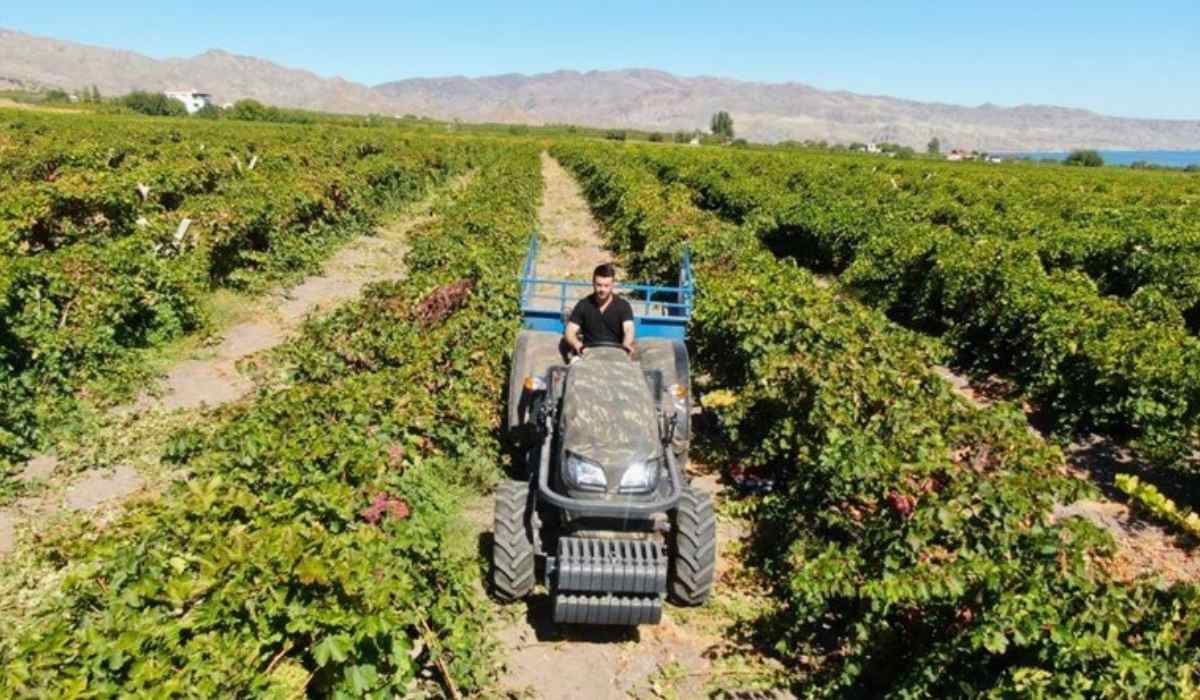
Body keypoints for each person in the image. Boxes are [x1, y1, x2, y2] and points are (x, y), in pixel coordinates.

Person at [564, 263, 635, 361]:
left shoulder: (623, 306)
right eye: (599, 285)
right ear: (593, 283)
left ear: (612, 285)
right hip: (588, 354)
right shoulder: (583, 305)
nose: (602, 289)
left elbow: (628, 329)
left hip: (616, 355)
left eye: (606, 286)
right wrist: (577, 345)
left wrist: (626, 344)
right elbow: (570, 331)